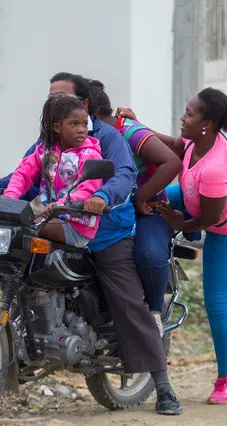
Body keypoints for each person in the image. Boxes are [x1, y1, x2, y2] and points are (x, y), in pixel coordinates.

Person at [0, 73, 183, 415]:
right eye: (50, 100)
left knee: (128, 303)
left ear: (84, 105)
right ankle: (6, 325)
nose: (50, 104)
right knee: (11, 249)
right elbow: (27, 175)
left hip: (106, 230)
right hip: (55, 221)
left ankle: (163, 385)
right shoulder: (47, 141)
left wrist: (103, 196)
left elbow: (123, 175)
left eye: (59, 98)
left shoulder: (106, 138)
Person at [118, 87, 227, 406]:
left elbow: (206, 220)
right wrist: (140, 127)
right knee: (145, 202)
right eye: (186, 110)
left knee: (217, 302)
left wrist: (182, 225)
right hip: (195, 199)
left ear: (206, 124)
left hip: (226, 225)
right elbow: (177, 146)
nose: (183, 116)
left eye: (189, 114)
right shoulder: (198, 138)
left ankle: (225, 381)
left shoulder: (216, 168)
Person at [89, 80, 182, 335]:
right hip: (109, 211)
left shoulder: (128, 131)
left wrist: (141, 197)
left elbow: (172, 162)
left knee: (149, 256)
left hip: (148, 210)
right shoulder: (80, 138)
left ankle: (153, 314)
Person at [3, 94, 103, 247]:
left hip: (77, 226)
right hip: (51, 217)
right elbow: (23, 174)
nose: (82, 130)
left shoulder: (90, 155)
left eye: (84, 124)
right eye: (74, 124)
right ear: (57, 127)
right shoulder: (44, 150)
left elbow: (87, 192)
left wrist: (61, 204)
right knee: (1, 225)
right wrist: (10, 197)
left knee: (21, 225)